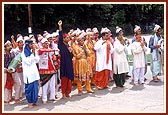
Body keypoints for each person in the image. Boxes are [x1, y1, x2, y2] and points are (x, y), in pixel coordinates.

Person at [21, 39, 40, 108]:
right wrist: (32, 54)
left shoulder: (33, 52)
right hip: (28, 74)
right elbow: (28, 62)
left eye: (33, 44)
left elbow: (37, 60)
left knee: (35, 88)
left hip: (34, 73)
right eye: (31, 44)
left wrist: (34, 53)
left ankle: (34, 101)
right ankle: (29, 102)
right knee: (29, 89)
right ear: (27, 45)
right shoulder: (23, 54)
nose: (32, 45)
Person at [58, 20, 74, 98]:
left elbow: (71, 56)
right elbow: (60, 36)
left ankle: (68, 92)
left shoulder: (68, 46)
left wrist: (71, 52)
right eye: (67, 38)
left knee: (69, 78)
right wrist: (60, 26)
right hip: (63, 64)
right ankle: (63, 93)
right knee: (64, 78)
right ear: (64, 39)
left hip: (69, 64)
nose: (68, 39)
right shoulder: (61, 45)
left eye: (69, 38)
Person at [4, 41, 15, 105]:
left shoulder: (12, 53)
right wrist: (6, 69)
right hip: (5, 71)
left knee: (10, 85)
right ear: (5, 47)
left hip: (11, 71)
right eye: (8, 45)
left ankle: (8, 99)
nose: (10, 46)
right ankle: (6, 101)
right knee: (6, 86)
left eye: (10, 45)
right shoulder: (4, 54)